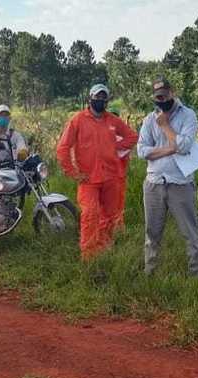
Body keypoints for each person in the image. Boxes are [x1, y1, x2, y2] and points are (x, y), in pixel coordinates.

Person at [56, 83, 138, 259]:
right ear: (90, 98)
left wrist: (115, 147)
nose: (100, 100)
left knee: (110, 215)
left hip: (111, 176)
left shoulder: (112, 120)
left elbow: (132, 137)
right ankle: (89, 255)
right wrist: (73, 172)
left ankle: (104, 249)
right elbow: (63, 148)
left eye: (103, 97)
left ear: (107, 100)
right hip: (88, 179)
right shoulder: (77, 120)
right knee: (90, 214)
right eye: (97, 96)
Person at [138, 78, 198, 277]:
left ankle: (196, 278)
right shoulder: (149, 119)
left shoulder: (188, 115)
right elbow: (141, 151)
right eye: (158, 96)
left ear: (172, 92)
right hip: (154, 183)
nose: (162, 99)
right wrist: (170, 148)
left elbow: (184, 146)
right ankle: (150, 275)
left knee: (191, 235)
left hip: (180, 184)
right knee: (152, 235)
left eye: (165, 95)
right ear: (154, 97)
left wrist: (165, 126)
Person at [108, 103, 132, 237]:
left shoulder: (122, 138)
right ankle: (111, 230)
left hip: (118, 178)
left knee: (118, 205)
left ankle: (117, 230)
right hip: (108, 178)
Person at [0, 104, 29, 171]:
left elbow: (22, 147)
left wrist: (22, 153)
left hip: (11, 171)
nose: (3, 117)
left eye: (6, 115)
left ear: (9, 118)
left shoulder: (15, 136)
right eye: (1, 115)